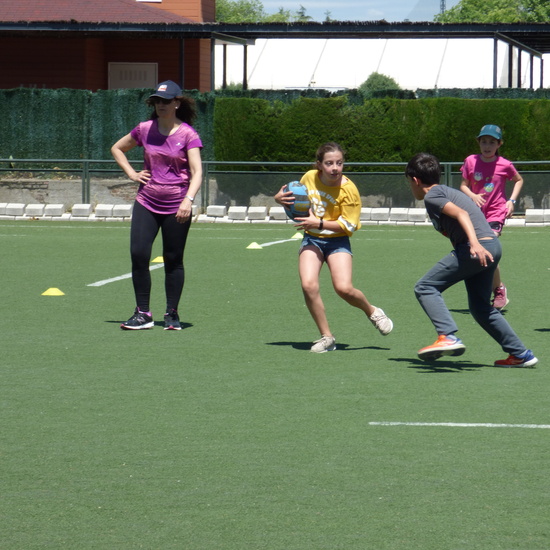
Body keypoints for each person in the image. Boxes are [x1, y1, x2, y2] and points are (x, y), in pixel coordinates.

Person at [405, 152, 537, 367]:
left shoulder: (432, 196)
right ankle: (521, 355)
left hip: (477, 247)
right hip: (491, 247)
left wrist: (474, 243)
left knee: (425, 287)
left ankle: (447, 336)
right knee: (480, 307)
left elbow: (462, 215)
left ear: (415, 180)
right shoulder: (447, 191)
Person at [274, 142, 393, 353]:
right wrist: (280, 200)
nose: (335, 168)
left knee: (343, 288)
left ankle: (372, 311)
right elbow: (297, 203)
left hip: (338, 240)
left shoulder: (349, 190)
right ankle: (327, 337)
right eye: (329, 163)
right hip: (312, 238)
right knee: (308, 285)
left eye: (339, 163)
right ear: (319, 164)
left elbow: (348, 226)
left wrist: (317, 223)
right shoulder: (308, 178)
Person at [111, 80, 203, 330]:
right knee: (139, 255)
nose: (161, 105)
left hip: (178, 205)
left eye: (166, 101)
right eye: (157, 102)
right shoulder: (144, 129)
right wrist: (131, 173)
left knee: (173, 259)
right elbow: (118, 148)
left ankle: (171, 314)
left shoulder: (188, 134)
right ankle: (143, 313)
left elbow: (197, 172)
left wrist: (188, 200)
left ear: (176, 103)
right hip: (146, 201)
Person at [459, 124, 524, 309]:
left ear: (499, 144)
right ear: (478, 143)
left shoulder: (505, 164)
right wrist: (472, 196)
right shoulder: (470, 161)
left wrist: (511, 200)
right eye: (484, 141)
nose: (487, 146)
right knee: (478, 252)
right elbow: (463, 185)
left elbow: (519, 180)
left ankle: (498, 291)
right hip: (475, 214)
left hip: (496, 212)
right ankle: (492, 287)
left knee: (489, 249)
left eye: (492, 142)